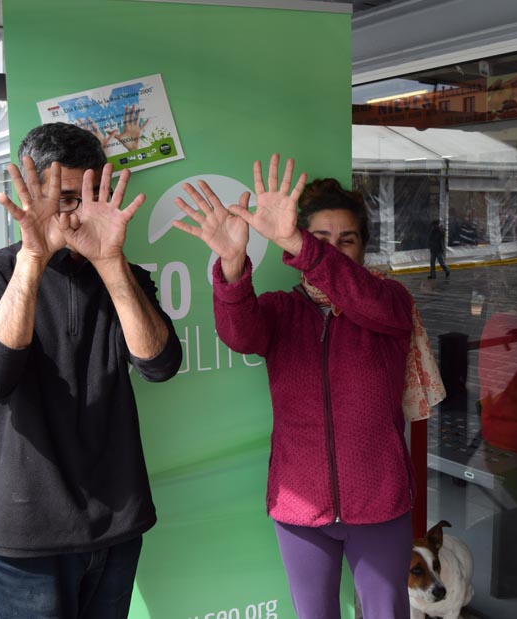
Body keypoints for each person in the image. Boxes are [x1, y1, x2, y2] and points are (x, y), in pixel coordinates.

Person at [0, 122, 182, 619]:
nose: (71, 215)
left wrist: (111, 262)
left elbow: (160, 365)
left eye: (86, 197)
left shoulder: (125, 276)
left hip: (118, 525)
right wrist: (34, 256)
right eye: (61, 197)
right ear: (27, 193)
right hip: (23, 534)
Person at [173, 154, 419, 619]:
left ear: (362, 249)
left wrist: (296, 241)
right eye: (319, 239)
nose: (332, 250)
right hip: (299, 505)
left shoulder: (388, 303)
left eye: (346, 241)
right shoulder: (281, 311)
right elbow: (239, 333)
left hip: (379, 501)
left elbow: (357, 293)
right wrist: (231, 264)